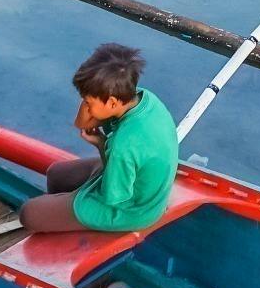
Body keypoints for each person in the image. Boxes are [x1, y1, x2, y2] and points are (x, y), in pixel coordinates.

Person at [20, 44, 178, 236]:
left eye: (88, 102)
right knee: (56, 174)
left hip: (131, 209)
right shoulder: (142, 98)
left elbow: (112, 197)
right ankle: (62, 212)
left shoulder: (124, 145)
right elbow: (82, 123)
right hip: (134, 182)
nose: (85, 107)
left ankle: (68, 222)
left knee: (29, 213)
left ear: (112, 102)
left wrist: (77, 198)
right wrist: (101, 143)